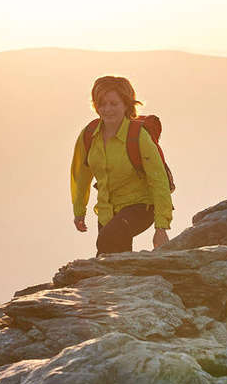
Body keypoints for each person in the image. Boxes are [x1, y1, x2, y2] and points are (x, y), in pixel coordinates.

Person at [69, 75, 173, 255]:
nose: (107, 109)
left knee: (108, 240)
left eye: (113, 103)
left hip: (141, 206)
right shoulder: (89, 135)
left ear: (126, 105)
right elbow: (80, 176)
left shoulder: (139, 137)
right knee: (111, 256)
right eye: (101, 103)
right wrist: (79, 211)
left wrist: (161, 228)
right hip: (107, 211)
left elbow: (159, 181)